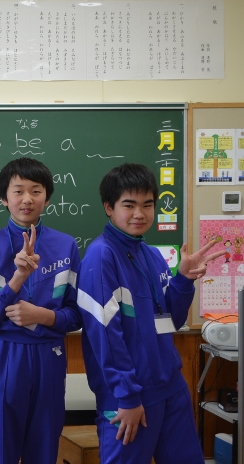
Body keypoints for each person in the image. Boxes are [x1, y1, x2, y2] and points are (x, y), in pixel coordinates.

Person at [77, 163, 224, 464]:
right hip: (130, 396)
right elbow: (104, 336)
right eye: (129, 205)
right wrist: (128, 396)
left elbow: (172, 321)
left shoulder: (152, 255)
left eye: (147, 205)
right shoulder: (101, 256)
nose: (139, 214)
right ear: (109, 207)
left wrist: (183, 280)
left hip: (170, 387)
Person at [0, 157, 82, 464]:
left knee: (44, 449)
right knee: (0, 448)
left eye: (36, 190)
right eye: (18, 191)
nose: (27, 199)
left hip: (50, 357)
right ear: (4, 199)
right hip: (3, 357)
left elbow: (77, 314)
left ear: (47, 197)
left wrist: (43, 316)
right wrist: (17, 279)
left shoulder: (66, 246)